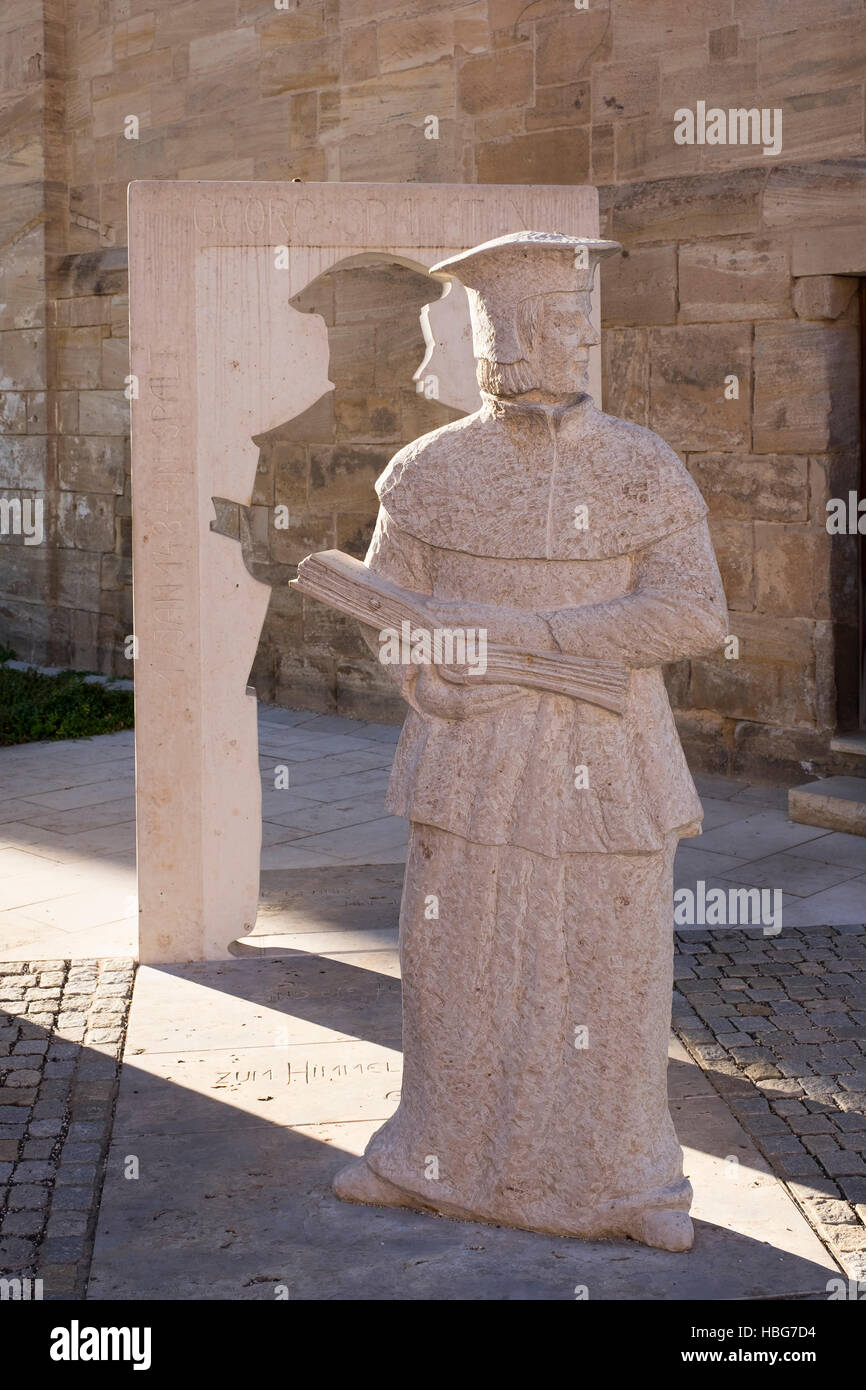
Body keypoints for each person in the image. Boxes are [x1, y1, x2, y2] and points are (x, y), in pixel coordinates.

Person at [332, 232, 728, 1251]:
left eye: (575, 319)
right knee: (456, 959)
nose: (567, 337)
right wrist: (433, 680)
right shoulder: (426, 469)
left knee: (608, 966)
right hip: (472, 757)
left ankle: (626, 1180)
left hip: (609, 752)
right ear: (490, 337)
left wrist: (544, 635)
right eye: (540, 320)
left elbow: (689, 612)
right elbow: (387, 613)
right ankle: (433, 1157)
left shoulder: (642, 463)